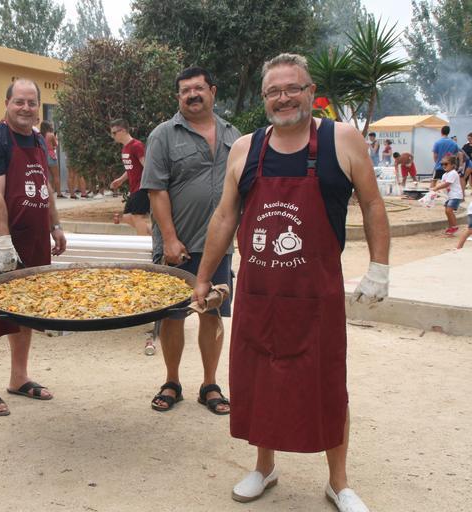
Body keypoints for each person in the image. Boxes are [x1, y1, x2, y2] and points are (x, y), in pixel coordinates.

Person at [193, 53, 389, 512]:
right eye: (274, 91)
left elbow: (373, 204)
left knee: (328, 384)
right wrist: (203, 277)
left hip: (315, 298)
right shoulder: (246, 148)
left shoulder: (341, 139)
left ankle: (338, 482)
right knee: (259, 380)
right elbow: (224, 216)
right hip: (259, 296)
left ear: (310, 91)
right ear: (264, 98)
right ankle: (264, 467)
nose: (284, 98)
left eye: (293, 88)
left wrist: (379, 267)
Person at [141, 66, 240, 415]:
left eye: (198, 88)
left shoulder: (233, 135)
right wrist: (169, 239)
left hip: (219, 247)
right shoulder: (163, 135)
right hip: (178, 247)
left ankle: (210, 384)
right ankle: (172, 382)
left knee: (212, 314)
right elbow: (156, 190)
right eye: (185, 91)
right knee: (174, 316)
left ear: (212, 91)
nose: (192, 95)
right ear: (178, 97)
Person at [0, 79, 67, 416]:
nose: (26, 108)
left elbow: (45, 186)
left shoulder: (38, 139)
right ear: (7, 103)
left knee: (27, 308)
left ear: (38, 107)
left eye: (31, 103)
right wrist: (3, 244)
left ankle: (19, 377)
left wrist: (55, 226)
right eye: (19, 102)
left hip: (34, 240)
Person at [109, 119, 151, 236]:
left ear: (123, 131)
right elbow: (131, 168)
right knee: (127, 217)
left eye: (114, 133)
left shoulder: (136, 146)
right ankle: (155, 236)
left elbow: (147, 166)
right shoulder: (125, 148)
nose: (112, 136)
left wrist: (150, 187)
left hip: (142, 187)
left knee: (137, 217)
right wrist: (121, 180)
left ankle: (142, 243)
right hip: (134, 188)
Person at [431, 154, 463, 235]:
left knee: (449, 210)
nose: (443, 166)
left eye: (446, 164)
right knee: (447, 211)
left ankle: (454, 226)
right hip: (449, 196)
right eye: (442, 164)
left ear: (453, 165)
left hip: (455, 195)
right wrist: (437, 193)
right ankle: (451, 227)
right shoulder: (444, 175)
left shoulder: (453, 173)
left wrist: (436, 188)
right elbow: (443, 185)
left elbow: (446, 184)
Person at [40, 120, 64, 198]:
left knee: (46, 176)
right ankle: (59, 194)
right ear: (48, 127)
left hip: (43, 156)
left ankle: (47, 193)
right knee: (56, 176)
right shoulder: (51, 135)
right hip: (51, 156)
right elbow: (55, 144)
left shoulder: (40, 135)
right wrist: (55, 139)